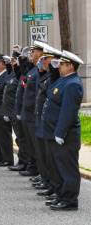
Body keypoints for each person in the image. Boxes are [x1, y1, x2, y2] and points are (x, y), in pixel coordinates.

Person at [42, 51, 84, 211]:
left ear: (70, 66)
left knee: (68, 168)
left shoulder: (73, 83)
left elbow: (68, 111)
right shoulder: (64, 80)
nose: (58, 67)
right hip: (55, 132)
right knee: (59, 166)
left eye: (62, 64)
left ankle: (70, 200)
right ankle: (61, 195)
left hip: (66, 134)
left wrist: (60, 132)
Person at [33, 44, 62, 194]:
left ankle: (53, 185)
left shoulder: (57, 80)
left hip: (52, 125)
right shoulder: (47, 77)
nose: (42, 62)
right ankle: (48, 181)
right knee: (45, 155)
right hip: (43, 121)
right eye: (43, 59)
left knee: (52, 158)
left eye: (46, 59)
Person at [18, 42, 43, 178]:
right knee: (30, 144)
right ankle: (33, 167)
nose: (31, 55)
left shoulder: (38, 72)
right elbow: (21, 75)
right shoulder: (32, 71)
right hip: (27, 112)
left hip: (33, 113)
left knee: (36, 146)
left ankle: (37, 170)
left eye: (33, 52)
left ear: (40, 53)